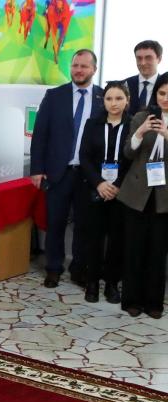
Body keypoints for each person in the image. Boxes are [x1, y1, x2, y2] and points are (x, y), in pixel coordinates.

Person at [29, 49, 104, 288]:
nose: (78, 70)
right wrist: (37, 168)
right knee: (56, 223)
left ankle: (78, 268)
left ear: (94, 69)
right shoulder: (54, 96)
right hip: (58, 172)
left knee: (84, 225)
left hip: (88, 175)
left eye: (84, 66)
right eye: (75, 66)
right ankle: (53, 267)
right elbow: (40, 135)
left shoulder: (105, 99)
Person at [116, 76, 168, 319]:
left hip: (163, 196)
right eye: (161, 93)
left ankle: (154, 302)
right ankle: (132, 300)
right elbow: (127, 152)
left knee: (158, 252)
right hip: (137, 193)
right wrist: (140, 132)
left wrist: (166, 134)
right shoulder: (140, 116)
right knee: (134, 249)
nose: (165, 98)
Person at [78, 81, 130, 304]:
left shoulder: (133, 125)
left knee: (117, 240)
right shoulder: (93, 124)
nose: (114, 103)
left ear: (127, 100)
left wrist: (117, 184)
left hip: (122, 191)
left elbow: (132, 159)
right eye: (109, 98)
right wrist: (99, 183)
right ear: (104, 101)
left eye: (119, 98)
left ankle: (111, 284)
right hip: (96, 189)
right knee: (94, 239)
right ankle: (92, 284)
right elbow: (85, 157)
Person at [124, 40, 163, 117]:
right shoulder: (125, 85)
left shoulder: (165, 85)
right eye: (139, 58)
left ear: (159, 59)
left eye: (148, 58)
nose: (143, 63)